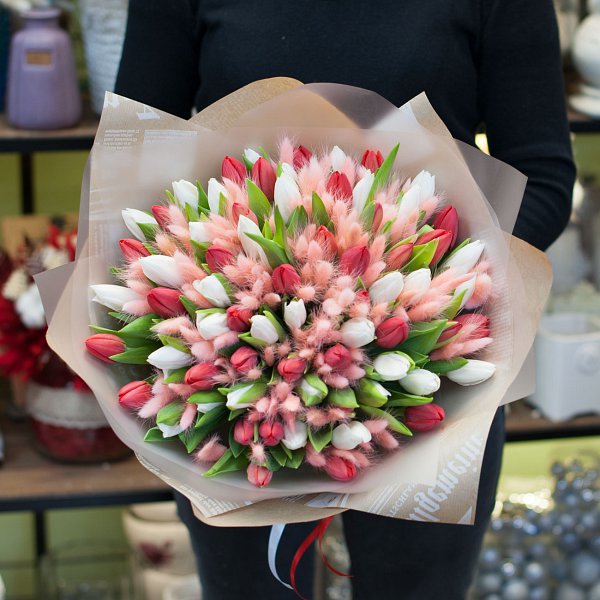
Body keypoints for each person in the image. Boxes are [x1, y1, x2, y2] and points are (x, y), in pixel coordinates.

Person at [115, 1, 575, 598]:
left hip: (431, 366)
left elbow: (542, 175)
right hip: (229, 368)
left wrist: (434, 287)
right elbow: (132, 154)